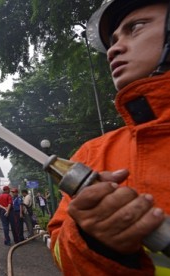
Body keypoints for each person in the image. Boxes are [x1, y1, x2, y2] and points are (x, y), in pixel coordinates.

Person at [48, 1, 170, 274]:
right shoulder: (92, 155)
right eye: (113, 40)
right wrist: (93, 240)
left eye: (135, 28)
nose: (113, 49)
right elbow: (60, 250)